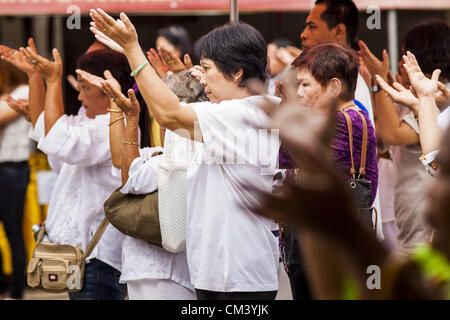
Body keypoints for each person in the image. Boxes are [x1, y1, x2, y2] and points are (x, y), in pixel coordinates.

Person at [90, 10, 281, 300]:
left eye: (208, 69)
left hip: (236, 279)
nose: (203, 80)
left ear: (237, 71)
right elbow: (177, 109)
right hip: (230, 274)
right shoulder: (259, 110)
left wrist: (132, 49)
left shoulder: (242, 114)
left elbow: (169, 114)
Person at [19, 45, 131, 300]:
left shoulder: (111, 127)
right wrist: (35, 76)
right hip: (84, 256)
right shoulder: (88, 121)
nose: (80, 97)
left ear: (109, 89)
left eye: (84, 88)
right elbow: (46, 129)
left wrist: (52, 79)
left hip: (98, 259)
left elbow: (59, 137)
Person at [359, 20, 450, 256]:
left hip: (423, 223)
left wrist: (377, 83)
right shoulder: (427, 97)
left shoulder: (441, 100)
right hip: (412, 220)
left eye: (405, 54)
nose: (401, 62)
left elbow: (392, 133)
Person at [0, 60, 30, 300]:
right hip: (5, 169)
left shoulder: (23, 91)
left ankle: (17, 290)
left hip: (12, 168)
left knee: (13, 231)